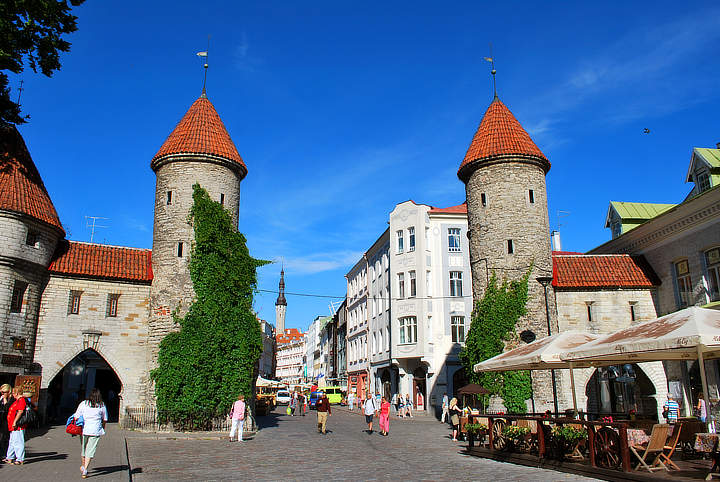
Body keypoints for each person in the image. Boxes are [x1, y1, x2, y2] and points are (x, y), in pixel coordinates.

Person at [73, 388, 108, 478]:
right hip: (96, 430)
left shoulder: (84, 404)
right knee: (90, 450)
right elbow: (105, 419)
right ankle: (85, 468)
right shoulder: (102, 405)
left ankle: (84, 467)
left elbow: (76, 417)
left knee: (84, 448)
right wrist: (103, 427)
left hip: (84, 429)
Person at [4, 386, 26, 465]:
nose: (12, 394)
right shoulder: (17, 400)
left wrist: (15, 422)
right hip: (13, 426)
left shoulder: (21, 400)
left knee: (18, 442)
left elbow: (20, 411)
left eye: (13, 393)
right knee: (12, 442)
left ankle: (20, 459)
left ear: (17, 393)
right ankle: (9, 457)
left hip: (18, 426)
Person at [0, 384, 14, 460]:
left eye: (4, 392)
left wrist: (5, 400)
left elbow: (7, 408)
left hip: (7, 421)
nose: (2, 394)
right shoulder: (2, 398)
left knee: (4, 437)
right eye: (1, 392)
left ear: (8, 391)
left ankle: (4, 454)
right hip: (2, 420)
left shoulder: (11, 399)